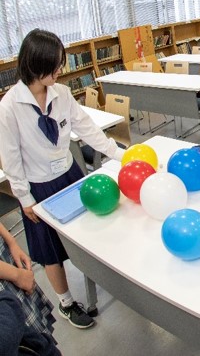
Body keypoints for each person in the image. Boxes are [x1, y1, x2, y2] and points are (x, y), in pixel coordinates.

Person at [0, 29, 127, 330]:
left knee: (85, 232)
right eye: (55, 65)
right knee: (49, 250)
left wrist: (119, 153)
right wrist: (24, 196)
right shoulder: (8, 108)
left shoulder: (63, 94)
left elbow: (87, 129)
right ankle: (67, 301)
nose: (61, 70)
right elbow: (11, 157)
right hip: (38, 187)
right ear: (35, 65)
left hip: (69, 175)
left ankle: (95, 280)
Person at [0, 223, 59, 355]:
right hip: (7, 281)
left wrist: (11, 241)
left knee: (39, 342)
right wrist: (16, 275)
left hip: (7, 266)